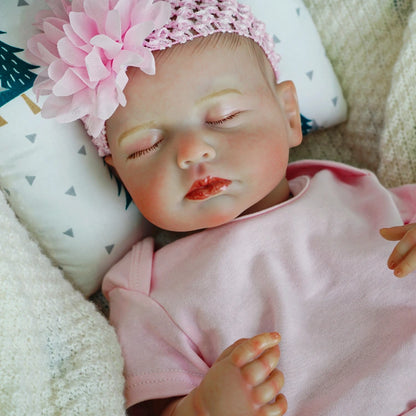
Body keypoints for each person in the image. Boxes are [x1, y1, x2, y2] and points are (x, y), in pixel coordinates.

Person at [28, 0, 416, 415]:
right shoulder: (147, 289)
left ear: (289, 115)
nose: (191, 152)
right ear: (121, 175)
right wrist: (204, 407)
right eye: (147, 146)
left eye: (223, 117)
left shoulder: (355, 189)